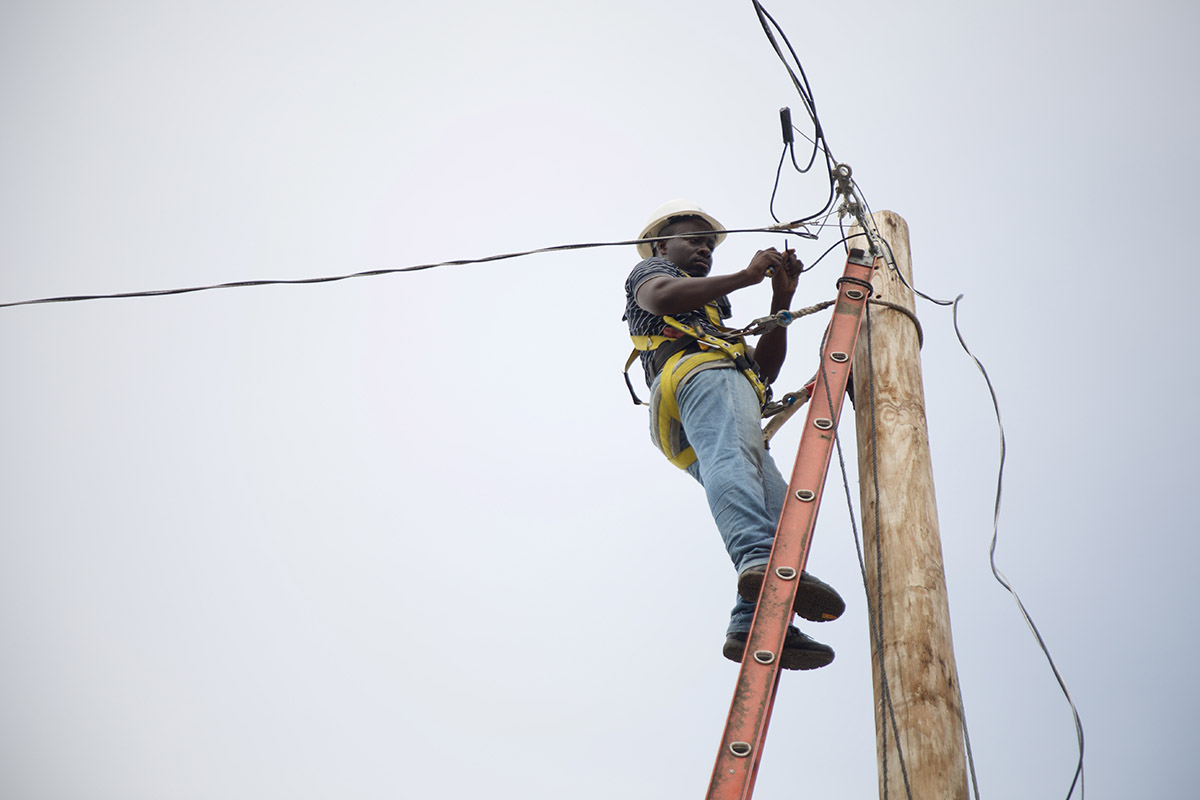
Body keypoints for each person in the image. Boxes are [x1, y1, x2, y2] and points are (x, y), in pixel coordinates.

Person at [622, 200, 844, 670]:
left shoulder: (711, 319)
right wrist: (746, 276)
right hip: (700, 378)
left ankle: (753, 620)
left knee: (783, 508)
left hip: (699, 405)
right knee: (736, 466)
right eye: (693, 240)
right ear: (661, 246)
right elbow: (661, 298)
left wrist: (780, 300)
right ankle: (759, 562)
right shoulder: (653, 274)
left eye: (709, 244)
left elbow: (764, 373)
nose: (704, 249)